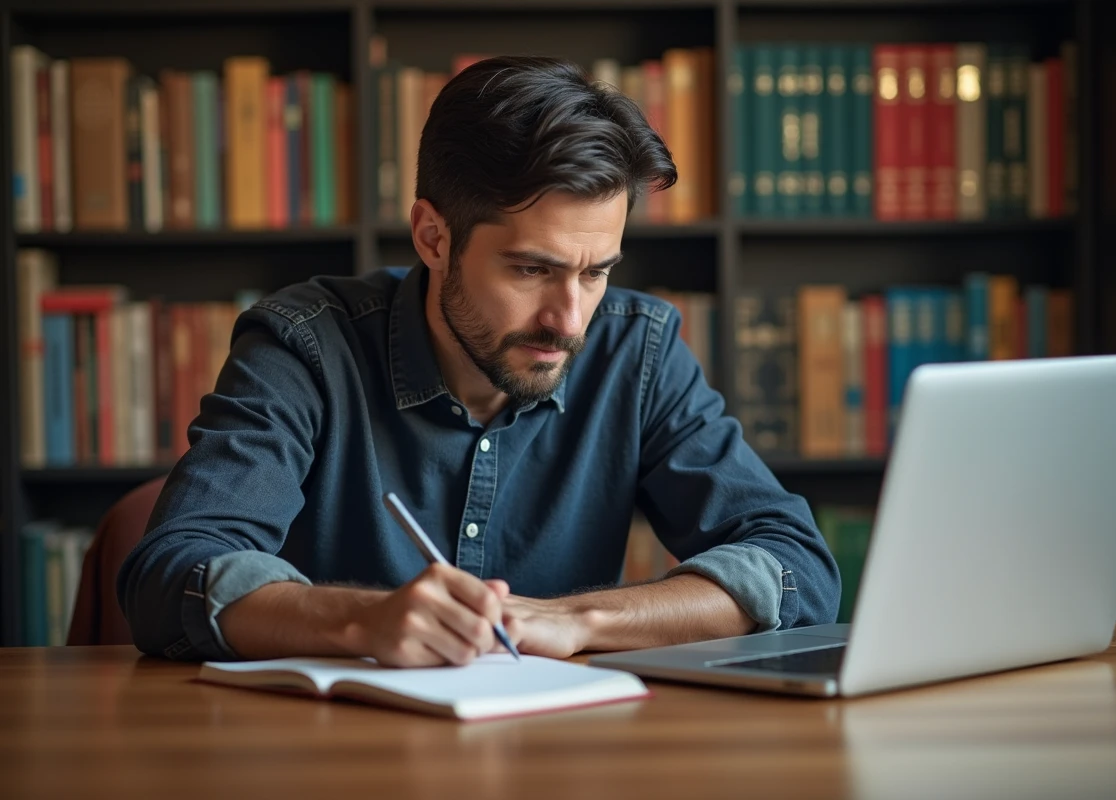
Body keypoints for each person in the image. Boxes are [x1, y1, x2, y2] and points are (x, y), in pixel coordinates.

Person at [117, 55, 840, 666]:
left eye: (595, 273)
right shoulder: (305, 345)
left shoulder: (637, 350)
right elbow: (170, 574)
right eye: (531, 270)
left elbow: (795, 565)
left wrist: (579, 621)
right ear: (433, 237)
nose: (570, 320)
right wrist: (360, 622)